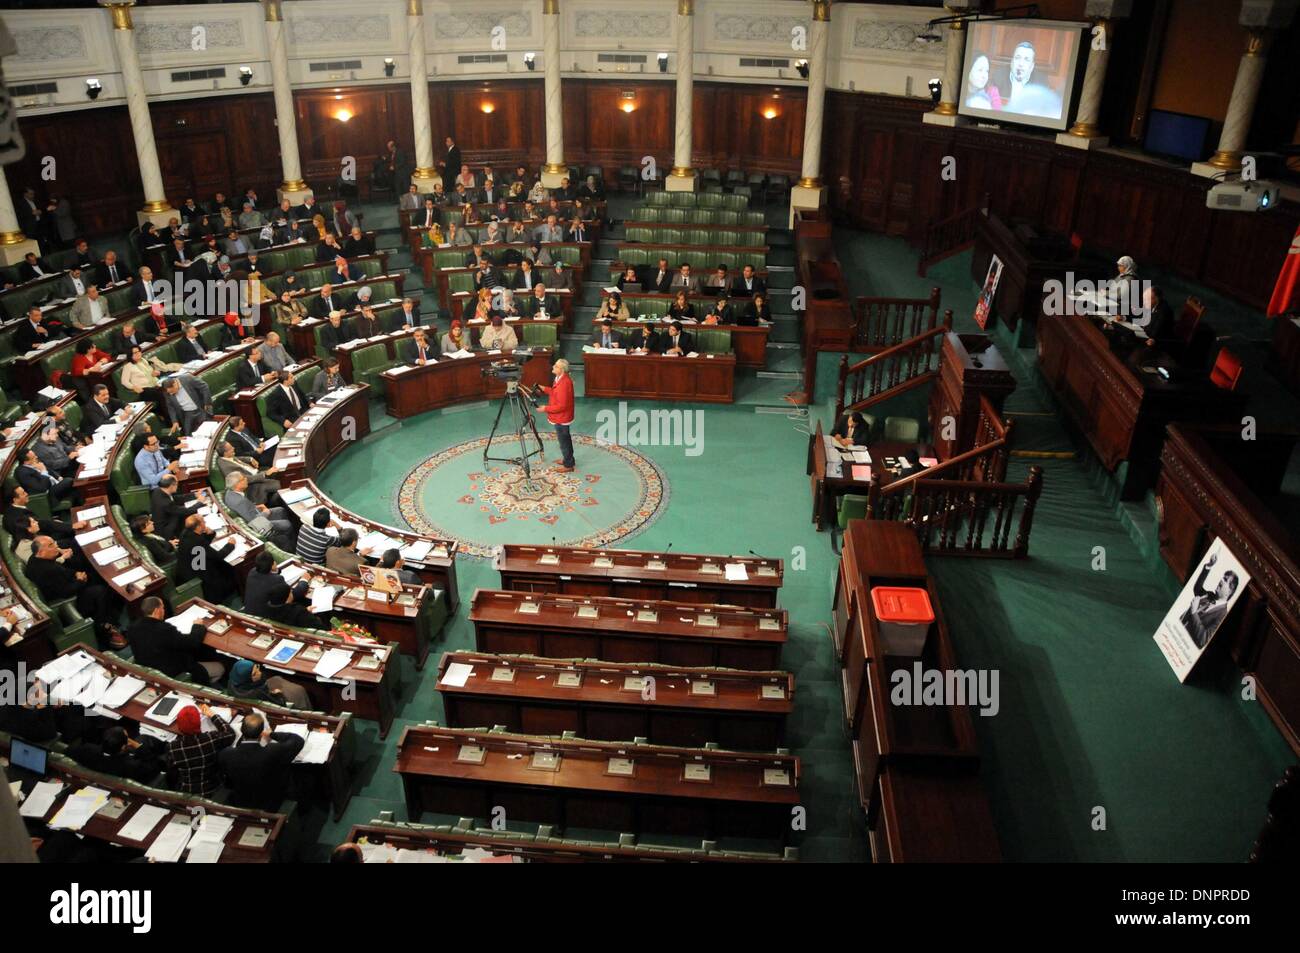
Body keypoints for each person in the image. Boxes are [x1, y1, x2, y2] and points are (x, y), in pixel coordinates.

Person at [25, 535, 121, 647]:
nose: (56, 546)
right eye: (51, 545)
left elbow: (59, 568)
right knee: (101, 590)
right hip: (66, 599)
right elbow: (66, 591)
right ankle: (103, 625)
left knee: (93, 573)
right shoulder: (47, 570)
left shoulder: (34, 558)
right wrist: (81, 580)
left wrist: (75, 574)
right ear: (41, 552)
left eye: (54, 542)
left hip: (64, 584)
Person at [218, 712, 306, 811]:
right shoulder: (274, 751)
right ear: (261, 733)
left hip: (240, 802)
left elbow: (227, 781)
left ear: (242, 730)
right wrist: (271, 734)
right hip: (272, 803)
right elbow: (298, 741)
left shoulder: (226, 754)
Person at [167, 703, 234, 797]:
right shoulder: (210, 738)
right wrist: (213, 715)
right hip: (214, 789)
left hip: (186, 792)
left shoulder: (172, 748)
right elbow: (230, 734)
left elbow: (172, 774)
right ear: (199, 722)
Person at [224, 471, 296, 551]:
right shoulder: (240, 502)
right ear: (237, 484)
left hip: (254, 514)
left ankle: (281, 534)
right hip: (257, 525)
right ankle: (290, 545)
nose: (246, 479)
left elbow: (246, 510)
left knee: (281, 510)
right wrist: (265, 512)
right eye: (243, 479)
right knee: (287, 524)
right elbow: (254, 521)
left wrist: (256, 507)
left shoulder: (230, 493)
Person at [176, 513, 239, 604]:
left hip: (194, 565)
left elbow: (203, 546)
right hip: (198, 573)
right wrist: (230, 544)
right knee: (226, 567)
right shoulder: (197, 541)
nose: (205, 523)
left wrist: (211, 533)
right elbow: (218, 556)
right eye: (203, 522)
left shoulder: (185, 533)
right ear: (198, 526)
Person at [67, 726, 162, 784]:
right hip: (133, 778)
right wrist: (138, 746)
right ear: (123, 747)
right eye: (127, 738)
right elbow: (155, 768)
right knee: (143, 739)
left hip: (101, 771)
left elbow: (69, 751)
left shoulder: (87, 749)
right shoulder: (131, 765)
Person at [1001, 40, 1062, 119]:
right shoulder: (998, 76)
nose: (1020, 64)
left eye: (1026, 60)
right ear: (1012, 62)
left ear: (1032, 66)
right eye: (1017, 58)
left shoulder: (1041, 82)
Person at [536, 358, 575, 473]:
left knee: (564, 442)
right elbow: (554, 392)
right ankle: (569, 460)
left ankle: (568, 465)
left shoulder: (564, 383)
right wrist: (544, 388)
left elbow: (562, 406)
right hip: (561, 416)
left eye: (556, 366)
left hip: (562, 417)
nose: (553, 366)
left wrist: (545, 409)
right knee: (565, 439)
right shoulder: (559, 379)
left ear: (562, 370)